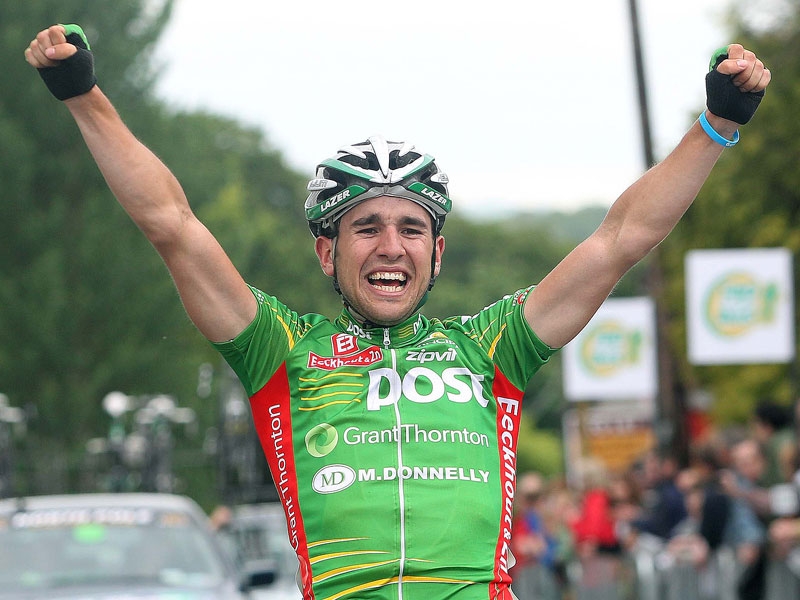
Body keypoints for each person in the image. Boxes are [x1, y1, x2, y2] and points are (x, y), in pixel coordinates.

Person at [24, 23, 771, 600]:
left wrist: (717, 124)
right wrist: (84, 96)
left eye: (412, 227)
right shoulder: (279, 348)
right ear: (327, 253)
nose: (391, 247)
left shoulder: (491, 348)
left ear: (438, 253)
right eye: (366, 226)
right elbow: (173, 226)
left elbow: (619, 241)